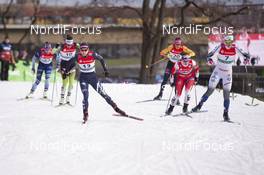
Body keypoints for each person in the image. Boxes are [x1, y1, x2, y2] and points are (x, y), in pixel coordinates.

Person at [192, 35, 250, 121]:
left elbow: (246, 55)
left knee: (226, 93)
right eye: (227, 42)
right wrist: (210, 60)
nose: (229, 44)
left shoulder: (235, 47)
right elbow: (210, 55)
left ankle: (226, 113)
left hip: (227, 73)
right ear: (224, 42)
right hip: (218, 71)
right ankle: (199, 105)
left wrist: (246, 59)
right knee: (210, 90)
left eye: (230, 42)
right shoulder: (220, 46)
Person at [76, 42, 126, 123]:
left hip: (93, 78)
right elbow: (70, 63)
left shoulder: (92, 54)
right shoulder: (77, 56)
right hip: (83, 78)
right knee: (85, 96)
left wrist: (105, 70)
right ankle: (85, 114)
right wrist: (65, 70)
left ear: (88, 50)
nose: (84, 51)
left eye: (85, 50)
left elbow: (102, 59)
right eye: (82, 50)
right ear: (80, 50)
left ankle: (116, 108)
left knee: (103, 94)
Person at [56, 35, 78, 104]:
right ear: (66, 42)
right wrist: (56, 47)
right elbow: (53, 52)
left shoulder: (75, 45)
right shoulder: (62, 46)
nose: (69, 46)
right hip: (64, 66)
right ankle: (62, 99)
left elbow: (84, 49)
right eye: (68, 44)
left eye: (70, 44)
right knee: (65, 83)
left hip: (72, 66)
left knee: (71, 84)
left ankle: (68, 99)